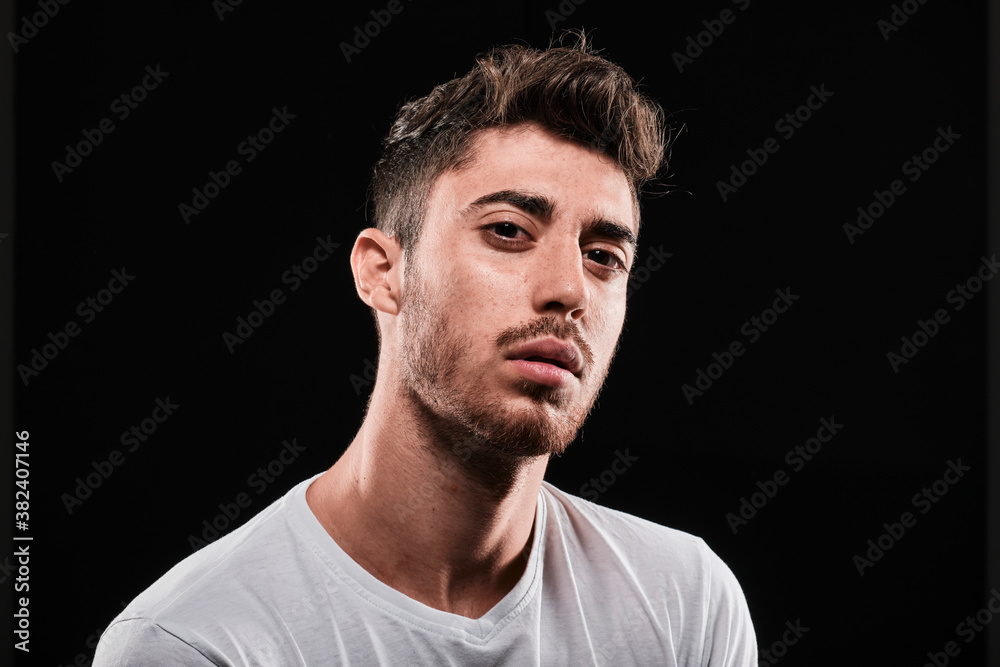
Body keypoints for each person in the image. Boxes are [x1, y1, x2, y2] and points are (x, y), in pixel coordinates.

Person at [94, 31, 757, 665]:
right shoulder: (197, 642)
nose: (568, 290)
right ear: (382, 271)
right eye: (508, 229)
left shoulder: (684, 607)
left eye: (604, 255)